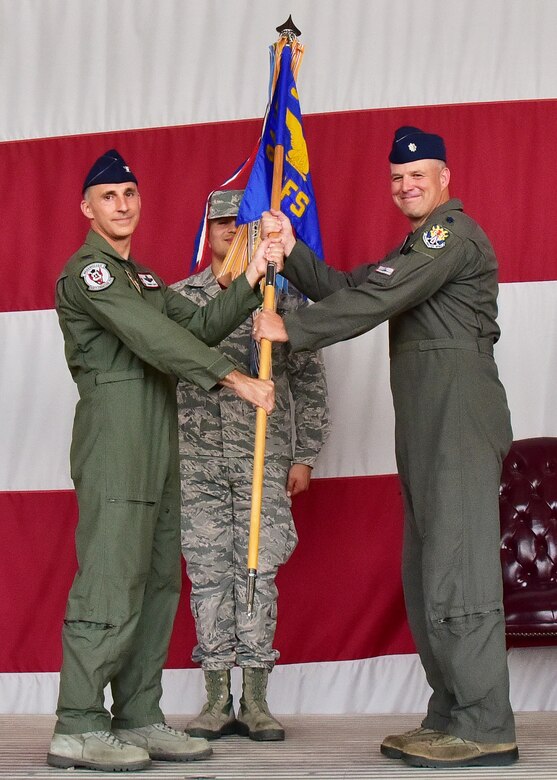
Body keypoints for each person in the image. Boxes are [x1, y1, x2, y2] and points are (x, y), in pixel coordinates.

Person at [255, 127, 518, 769]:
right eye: (397, 178)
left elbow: (379, 297)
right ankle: (453, 711)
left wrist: (291, 327)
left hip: (458, 414)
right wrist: (292, 254)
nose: (406, 185)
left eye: (417, 175)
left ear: (445, 177)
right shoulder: (414, 246)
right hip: (428, 417)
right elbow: (358, 285)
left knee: (459, 568)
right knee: (428, 567)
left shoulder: (449, 235)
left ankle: (485, 722)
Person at [47, 150, 283, 773]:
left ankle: (138, 715)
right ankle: (77, 723)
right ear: (86, 209)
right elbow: (154, 339)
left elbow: (199, 324)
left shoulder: (144, 279)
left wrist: (253, 265)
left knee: (156, 578)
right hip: (117, 435)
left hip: (158, 434)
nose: (122, 205)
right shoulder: (90, 274)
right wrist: (234, 379)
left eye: (129, 193)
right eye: (108, 197)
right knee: (111, 574)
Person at [171, 189, 329, 742]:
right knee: (209, 576)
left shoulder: (280, 301)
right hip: (197, 466)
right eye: (219, 223)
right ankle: (217, 699)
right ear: (206, 230)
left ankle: (256, 701)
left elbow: (309, 383)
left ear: (254, 235)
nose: (229, 233)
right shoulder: (178, 299)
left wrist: (305, 454)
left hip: (260, 459)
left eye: (240, 225)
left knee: (257, 575)